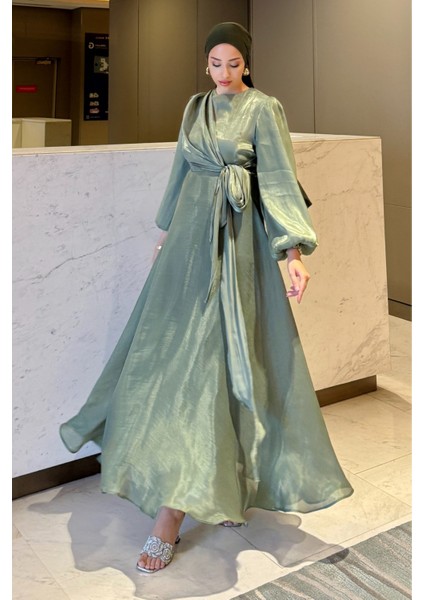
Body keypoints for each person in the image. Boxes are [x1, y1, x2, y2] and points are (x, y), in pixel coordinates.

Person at [60, 22, 353, 574]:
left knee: (224, 365)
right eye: (215, 63)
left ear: (247, 63)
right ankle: (210, 488)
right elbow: (180, 172)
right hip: (187, 250)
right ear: (206, 64)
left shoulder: (263, 108)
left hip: (238, 250)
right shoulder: (195, 108)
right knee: (171, 364)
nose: (223, 72)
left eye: (233, 63)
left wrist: (293, 252)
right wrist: (166, 233)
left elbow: (279, 180)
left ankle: (174, 513)